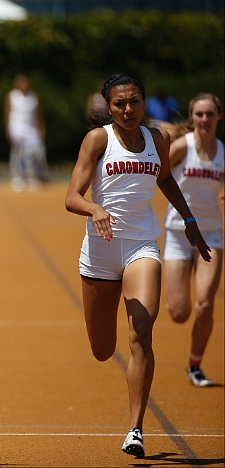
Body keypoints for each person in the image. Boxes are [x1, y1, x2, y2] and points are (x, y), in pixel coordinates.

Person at [64, 73, 210, 458]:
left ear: (144, 103)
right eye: (119, 103)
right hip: (100, 250)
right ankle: (131, 415)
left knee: (141, 333)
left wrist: (190, 222)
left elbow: (165, 179)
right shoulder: (99, 140)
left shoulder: (157, 140)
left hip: (141, 245)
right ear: (108, 107)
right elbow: (71, 196)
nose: (128, 109)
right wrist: (94, 208)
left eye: (135, 102)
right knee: (102, 348)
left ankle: (135, 429)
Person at [161, 93, 223, 387]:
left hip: (210, 235)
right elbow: (158, 176)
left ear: (218, 117)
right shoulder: (181, 148)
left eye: (210, 114)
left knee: (205, 306)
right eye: (199, 114)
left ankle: (195, 366)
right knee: (180, 312)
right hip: (177, 233)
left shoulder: (223, 152)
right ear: (192, 117)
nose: (204, 120)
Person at [5, 74, 46, 191]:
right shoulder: (12, 96)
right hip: (16, 127)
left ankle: (33, 177)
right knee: (19, 154)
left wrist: (41, 129)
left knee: (34, 153)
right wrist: (8, 129)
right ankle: (18, 178)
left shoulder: (34, 97)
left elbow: (38, 115)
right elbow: (7, 113)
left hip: (31, 129)